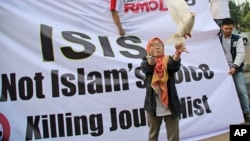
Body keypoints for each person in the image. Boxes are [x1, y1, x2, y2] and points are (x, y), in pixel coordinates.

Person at [141, 37, 188, 141]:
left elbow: (174, 66)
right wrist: (152, 57)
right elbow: (148, 67)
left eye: (159, 44)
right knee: (153, 136)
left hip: (171, 106)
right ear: (149, 48)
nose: (157, 46)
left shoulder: (168, 60)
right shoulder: (145, 62)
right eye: (153, 44)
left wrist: (177, 53)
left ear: (163, 47)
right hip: (153, 107)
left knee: (173, 138)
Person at [219, 18, 250, 122]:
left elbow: (241, 54)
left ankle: (246, 112)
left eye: (230, 28)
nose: (228, 30)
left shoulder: (238, 38)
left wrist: (234, 66)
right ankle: (229, 114)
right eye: (226, 28)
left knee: (242, 91)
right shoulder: (217, 39)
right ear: (222, 27)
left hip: (236, 70)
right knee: (224, 93)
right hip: (222, 71)